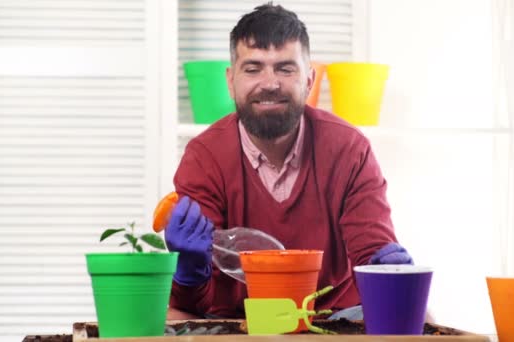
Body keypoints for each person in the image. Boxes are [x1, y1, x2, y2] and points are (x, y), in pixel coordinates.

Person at [163, 2, 413, 320]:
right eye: (253, 69)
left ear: (309, 80)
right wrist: (188, 271)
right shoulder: (204, 157)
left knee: (423, 315)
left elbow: (371, 250)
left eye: (285, 68)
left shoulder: (349, 149)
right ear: (231, 80)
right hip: (238, 322)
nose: (270, 83)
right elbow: (192, 304)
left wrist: (386, 268)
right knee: (172, 316)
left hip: (333, 317)